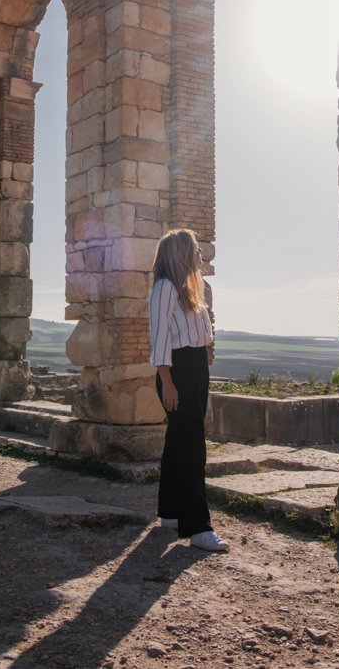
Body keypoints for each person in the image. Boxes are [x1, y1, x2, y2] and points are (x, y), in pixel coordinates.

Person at [149, 228, 228, 553]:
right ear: (181, 253)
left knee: (177, 440)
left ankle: (169, 513)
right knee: (192, 445)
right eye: (196, 250)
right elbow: (160, 338)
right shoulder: (165, 288)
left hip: (195, 367)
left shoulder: (189, 288)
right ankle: (197, 527)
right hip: (177, 371)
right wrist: (167, 381)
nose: (200, 255)